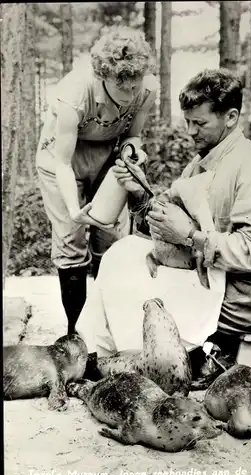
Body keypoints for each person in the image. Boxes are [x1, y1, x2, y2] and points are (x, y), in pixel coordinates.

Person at [108, 68, 251, 377]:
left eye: (200, 123)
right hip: (215, 281)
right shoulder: (201, 162)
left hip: (249, 298)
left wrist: (190, 237)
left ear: (231, 117)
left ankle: (160, 366)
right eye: (188, 122)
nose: (191, 132)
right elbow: (163, 222)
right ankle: (146, 360)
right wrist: (139, 192)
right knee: (122, 257)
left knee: (134, 295)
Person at [36, 27, 157, 373]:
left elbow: (133, 135)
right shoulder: (74, 92)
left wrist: (134, 153)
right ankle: (74, 338)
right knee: (71, 243)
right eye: (122, 85)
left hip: (105, 158)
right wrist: (74, 210)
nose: (130, 91)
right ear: (103, 75)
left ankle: (106, 333)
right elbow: (61, 162)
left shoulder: (145, 89)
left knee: (109, 239)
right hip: (62, 161)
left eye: (135, 83)